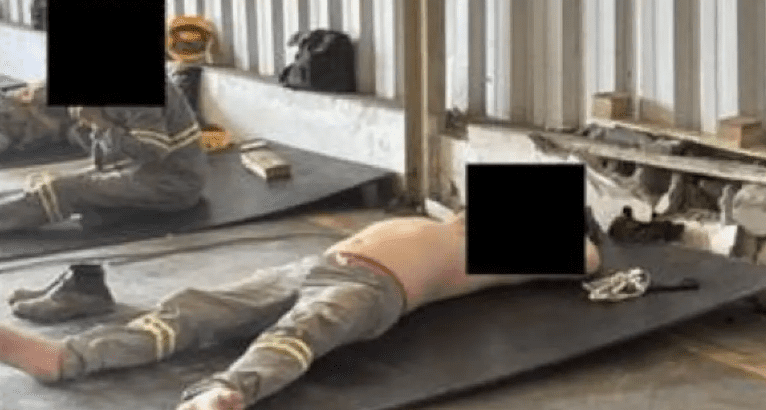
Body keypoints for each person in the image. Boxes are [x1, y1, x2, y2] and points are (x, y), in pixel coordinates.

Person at [0, 210, 602, 410]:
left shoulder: (493, 251)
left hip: (375, 290)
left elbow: (589, 258)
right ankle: (65, 358)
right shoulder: (444, 219)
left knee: (302, 331)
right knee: (197, 308)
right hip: (310, 264)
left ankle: (227, 391)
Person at [0, 73, 209, 234]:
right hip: (138, 172)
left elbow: (151, 152)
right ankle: (108, 210)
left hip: (171, 184)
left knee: (61, 189)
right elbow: (106, 157)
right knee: (44, 182)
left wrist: (99, 123)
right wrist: (86, 125)